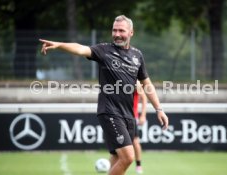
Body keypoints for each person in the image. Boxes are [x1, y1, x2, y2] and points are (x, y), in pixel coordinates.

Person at [39, 15, 168, 175]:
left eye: (121, 30)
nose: (117, 34)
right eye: (114, 30)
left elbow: (147, 84)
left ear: (131, 33)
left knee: (115, 158)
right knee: (128, 157)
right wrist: (59, 45)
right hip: (109, 112)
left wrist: (159, 109)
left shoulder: (137, 55)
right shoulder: (104, 50)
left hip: (128, 115)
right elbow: (80, 49)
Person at [133, 80, 147, 174]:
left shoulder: (135, 82)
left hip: (132, 117)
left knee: (135, 141)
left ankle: (138, 165)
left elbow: (144, 98)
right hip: (118, 117)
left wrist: (143, 115)